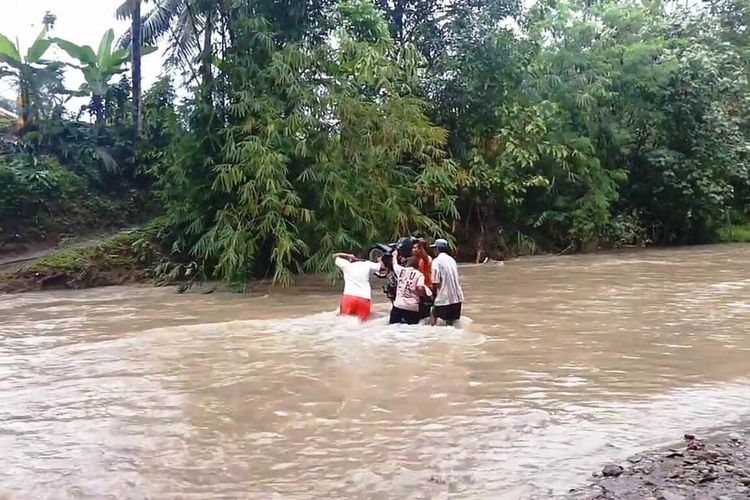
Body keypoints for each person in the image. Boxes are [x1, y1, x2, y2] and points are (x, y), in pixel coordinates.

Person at [332, 252, 382, 321]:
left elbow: (334, 256)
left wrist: (347, 255)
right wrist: (380, 260)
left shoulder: (345, 264)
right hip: (364, 298)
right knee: (362, 323)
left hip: (349, 297)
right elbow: (382, 267)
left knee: (343, 321)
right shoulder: (368, 264)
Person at [430, 238, 464, 326]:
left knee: (433, 322)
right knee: (452, 325)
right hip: (457, 298)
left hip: (444, 299)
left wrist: (433, 296)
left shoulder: (436, 261)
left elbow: (435, 282)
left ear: (437, 249)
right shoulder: (452, 260)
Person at [389, 255, 429, 325]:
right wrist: (424, 296)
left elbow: (394, 263)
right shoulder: (419, 275)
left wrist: (395, 255)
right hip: (412, 307)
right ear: (417, 265)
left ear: (407, 264)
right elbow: (420, 288)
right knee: (412, 331)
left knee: (393, 328)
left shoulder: (401, 270)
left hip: (398, 306)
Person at [412, 239, 433, 319]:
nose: (412, 250)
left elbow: (425, 258)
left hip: (426, 290)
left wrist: (420, 245)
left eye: (415, 248)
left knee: (424, 316)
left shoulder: (426, 259)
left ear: (420, 250)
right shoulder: (413, 260)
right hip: (418, 290)